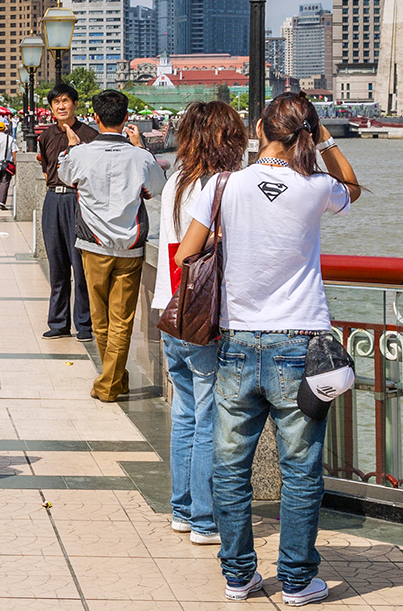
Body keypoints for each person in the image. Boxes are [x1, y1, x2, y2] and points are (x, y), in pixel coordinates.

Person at [176, 94, 361, 606]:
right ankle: (298, 582)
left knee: (230, 465)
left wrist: (229, 241)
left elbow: (188, 253)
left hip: (236, 341)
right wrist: (324, 140)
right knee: (301, 470)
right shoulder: (315, 187)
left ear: (260, 129)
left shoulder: (221, 185)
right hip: (301, 344)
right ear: (307, 132)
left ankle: (239, 576)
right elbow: (353, 186)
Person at [154, 101, 247, 547]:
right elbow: (189, 251)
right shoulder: (220, 185)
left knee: (186, 414)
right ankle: (206, 520)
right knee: (209, 416)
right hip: (203, 314)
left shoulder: (175, 180)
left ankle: (182, 509)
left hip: (169, 309)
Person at [55, 90, 165, 403]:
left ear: (96, 117)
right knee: (122, 321)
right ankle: (116, 379)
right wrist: (140, 148)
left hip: (93, 245)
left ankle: (109, 383)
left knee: (101, 320)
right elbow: (157, 188)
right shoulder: (141, 157)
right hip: (129, 248)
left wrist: (73, 148)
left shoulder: (81, 154)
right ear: (127, 118)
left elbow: (64, 177)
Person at [36, 84, 97, 341]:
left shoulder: (91, 136)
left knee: (80, 265)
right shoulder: (46, 135)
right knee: (57, 264)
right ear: (51, 108)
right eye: (56, 103)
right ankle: (58, 323)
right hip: (53, 200)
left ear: (75, 104)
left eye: (65, 101)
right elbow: (46, 169)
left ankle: (84, 325)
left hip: (77, 200)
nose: (61, 106)